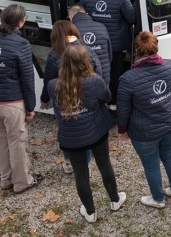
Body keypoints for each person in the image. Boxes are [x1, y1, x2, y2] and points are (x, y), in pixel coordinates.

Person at [48, 45, 125, 222]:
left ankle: (90, 212)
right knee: (104, 164)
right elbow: (106, 97)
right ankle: (115, 199)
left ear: (63, 64)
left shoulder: (53, 85)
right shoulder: (95, 81)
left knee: (80, 174)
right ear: (85, 61)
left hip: (71, 137)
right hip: (96, 130)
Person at [0, 4, 41, 194]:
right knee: (17, 143)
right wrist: (30, 107)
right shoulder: (21, 44)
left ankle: (6, 179)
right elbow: (27, 79)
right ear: (21, 22)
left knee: (1, 142)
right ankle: (22, 182)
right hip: (10, 102)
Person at [117, 31, 171, 209]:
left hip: (145, 132)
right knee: (169, 155)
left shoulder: (128, 79)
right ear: (156, 47)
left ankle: (158, 198)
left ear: (136, 51)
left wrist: (122, 130)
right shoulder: (170, 66)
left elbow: (123, 109)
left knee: (151, 165)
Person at [40, 20, 102, 174]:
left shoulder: (54, 56)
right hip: (86, 95)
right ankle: (86, 162)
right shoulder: (87, 50)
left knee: (65, 129)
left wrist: (45, 97)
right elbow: (99, 71)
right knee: (85, 128)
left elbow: (48, 80)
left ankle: (68, 161)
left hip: (63, 100)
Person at [79, 0, 136, 105]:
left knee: (91, 72)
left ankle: (90, 102)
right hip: (115, 44)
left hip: (91, 42)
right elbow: (132, 18)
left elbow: (78, 14)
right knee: (114, 74)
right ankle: (112, 102)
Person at [68, 5, 112, 83]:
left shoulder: (71, 30)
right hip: (103, 77)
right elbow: (109, 53)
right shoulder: (102, 26)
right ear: (85, 14)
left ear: (71, 17)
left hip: (81, 79)